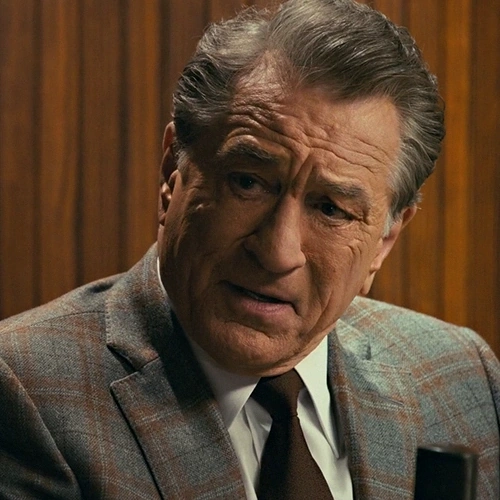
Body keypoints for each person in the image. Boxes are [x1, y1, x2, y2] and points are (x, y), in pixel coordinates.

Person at [0, 0, 499, 498]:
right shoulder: (26, 393)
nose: (278, 252)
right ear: (173, 173)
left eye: (331, 209)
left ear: (384, 242)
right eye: (248, 182)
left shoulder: (462, 376)